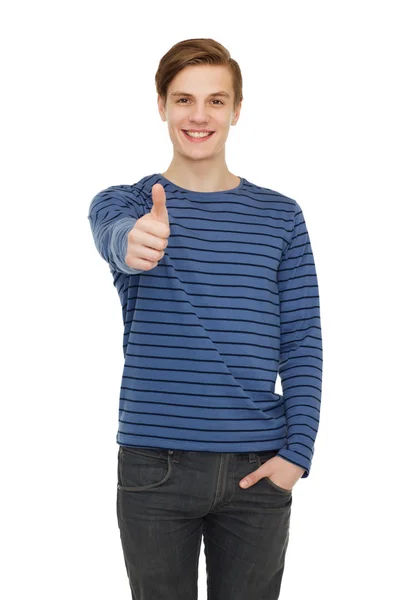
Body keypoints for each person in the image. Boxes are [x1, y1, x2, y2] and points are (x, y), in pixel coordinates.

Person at [87, 37, 323, 600]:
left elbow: (302, 339)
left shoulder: (281, 216)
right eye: (184, 99)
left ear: (237, 110)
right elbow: (115, 237)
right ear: (162, 105)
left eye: (216, 101)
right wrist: (134, 242)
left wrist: (297, 454)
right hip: (155, 466)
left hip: (258, 466)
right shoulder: (126, 204)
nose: (199, 115)